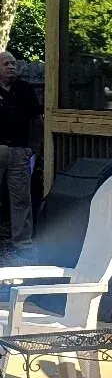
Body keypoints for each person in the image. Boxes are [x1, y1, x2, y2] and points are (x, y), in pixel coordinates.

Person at [0, 51, 41, 246]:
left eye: (13, 64)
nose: (11, 67)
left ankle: (23, 243)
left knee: (21, 198)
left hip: (19, 150)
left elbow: (37, 119)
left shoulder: (24, 89)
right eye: (6, 64)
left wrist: (33, 147)